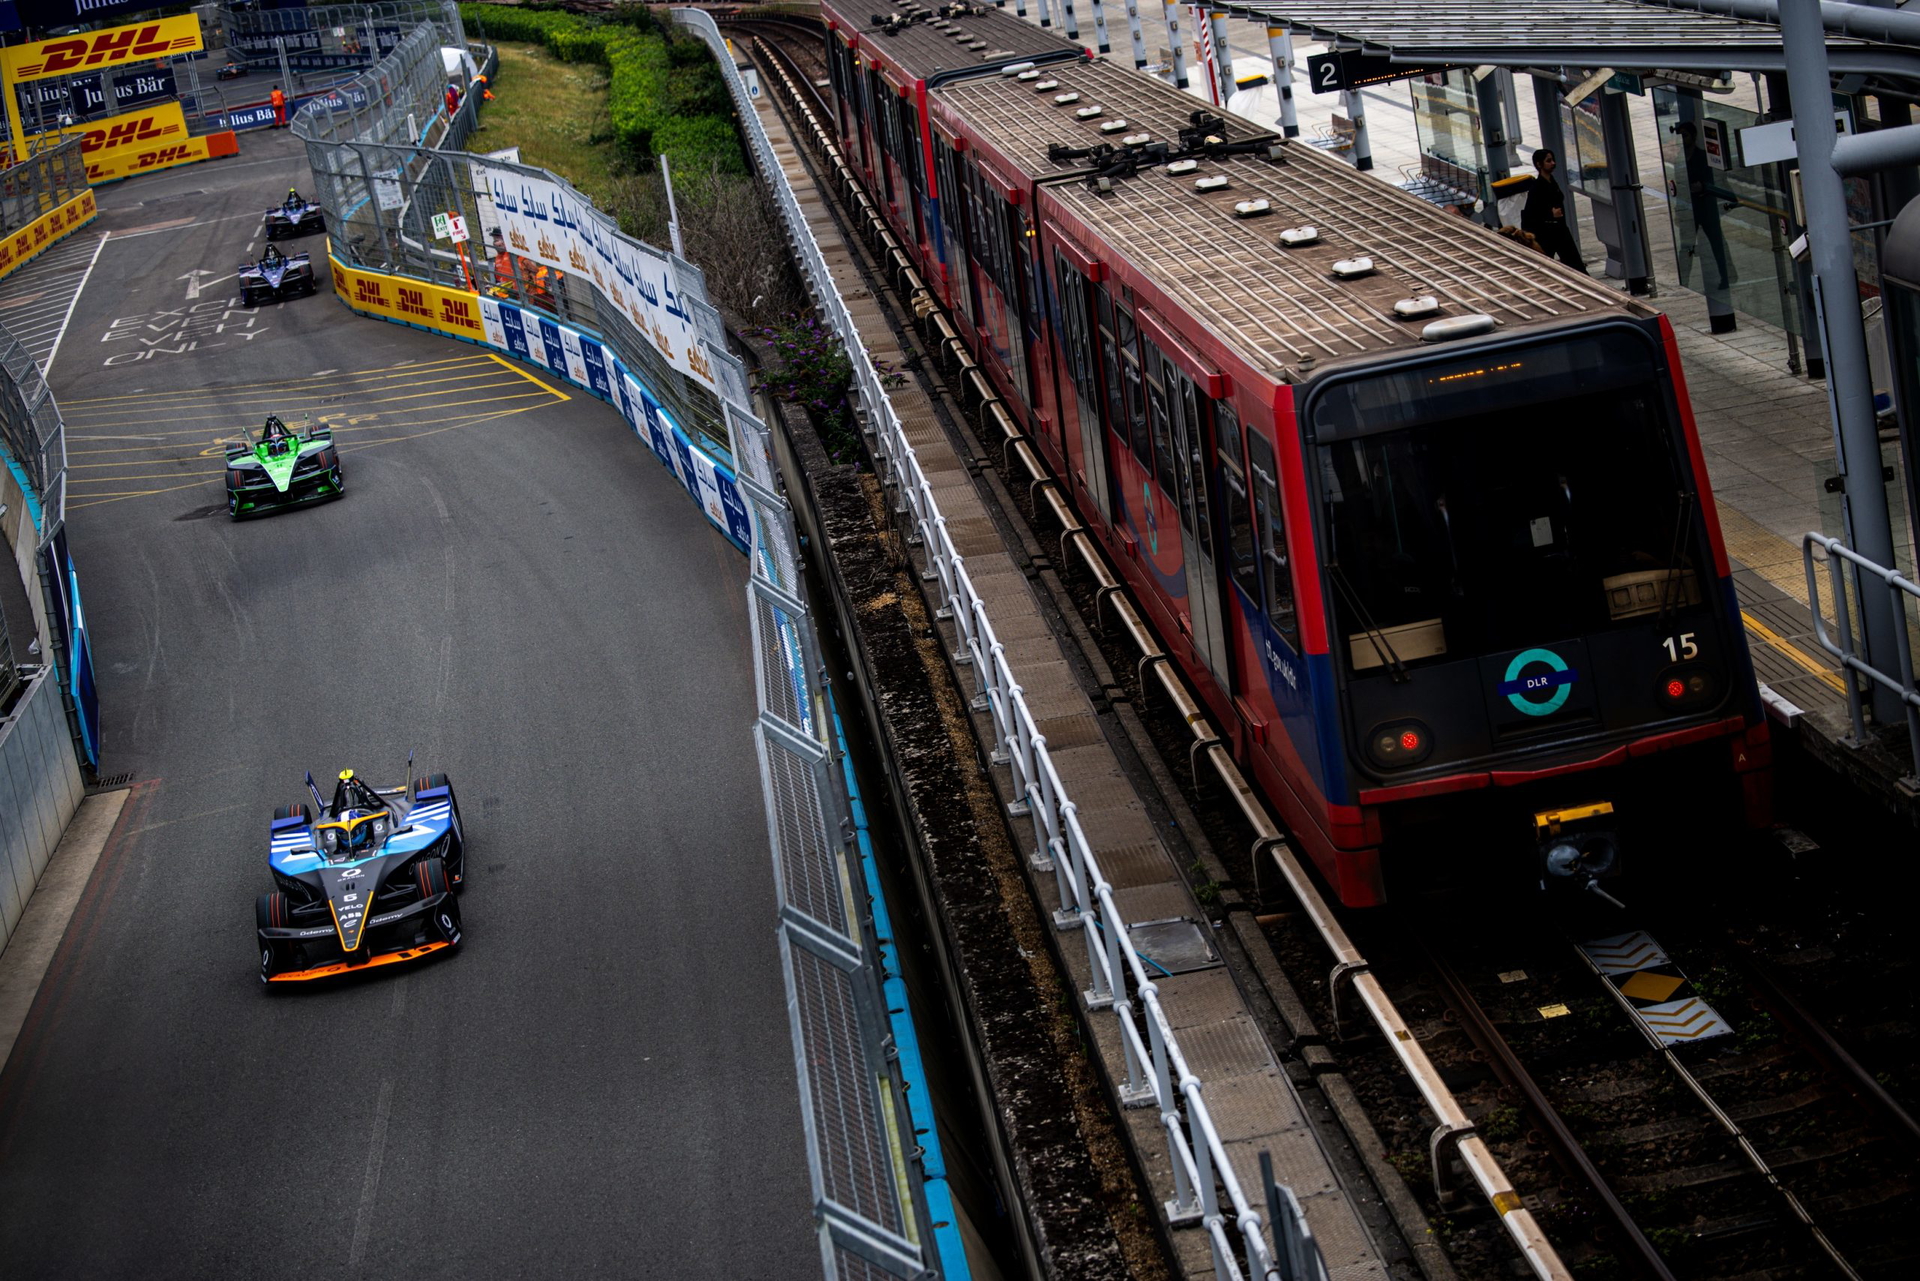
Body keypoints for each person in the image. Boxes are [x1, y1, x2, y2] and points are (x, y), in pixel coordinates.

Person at [1513, 149, 1587, 271]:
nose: (1553, 163)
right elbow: (1531, 214)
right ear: (1539, 164)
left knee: (1574, 263)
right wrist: (1550, 214)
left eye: (1553, 160)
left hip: (1559, 229)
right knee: (1544, 266)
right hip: (1546, 233)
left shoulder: (1552, 181)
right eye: (1548, 161)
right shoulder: (1536, 188)